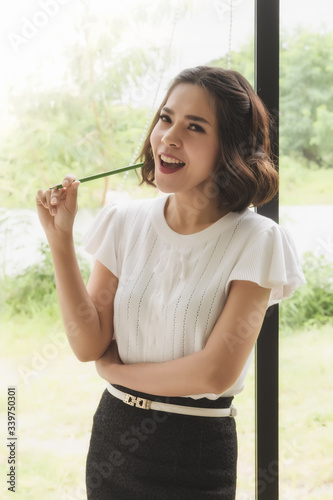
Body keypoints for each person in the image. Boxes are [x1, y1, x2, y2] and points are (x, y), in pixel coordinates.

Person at [36, 66, 305, 499]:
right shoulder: (123, 223)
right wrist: (60, 241)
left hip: (195, 452)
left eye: (194, 126)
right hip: (113, 437)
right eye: (166, 118)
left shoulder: (258, 240)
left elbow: (215, 374)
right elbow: (88, 344)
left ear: (230, 148)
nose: (168, 137)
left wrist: (117, 371)